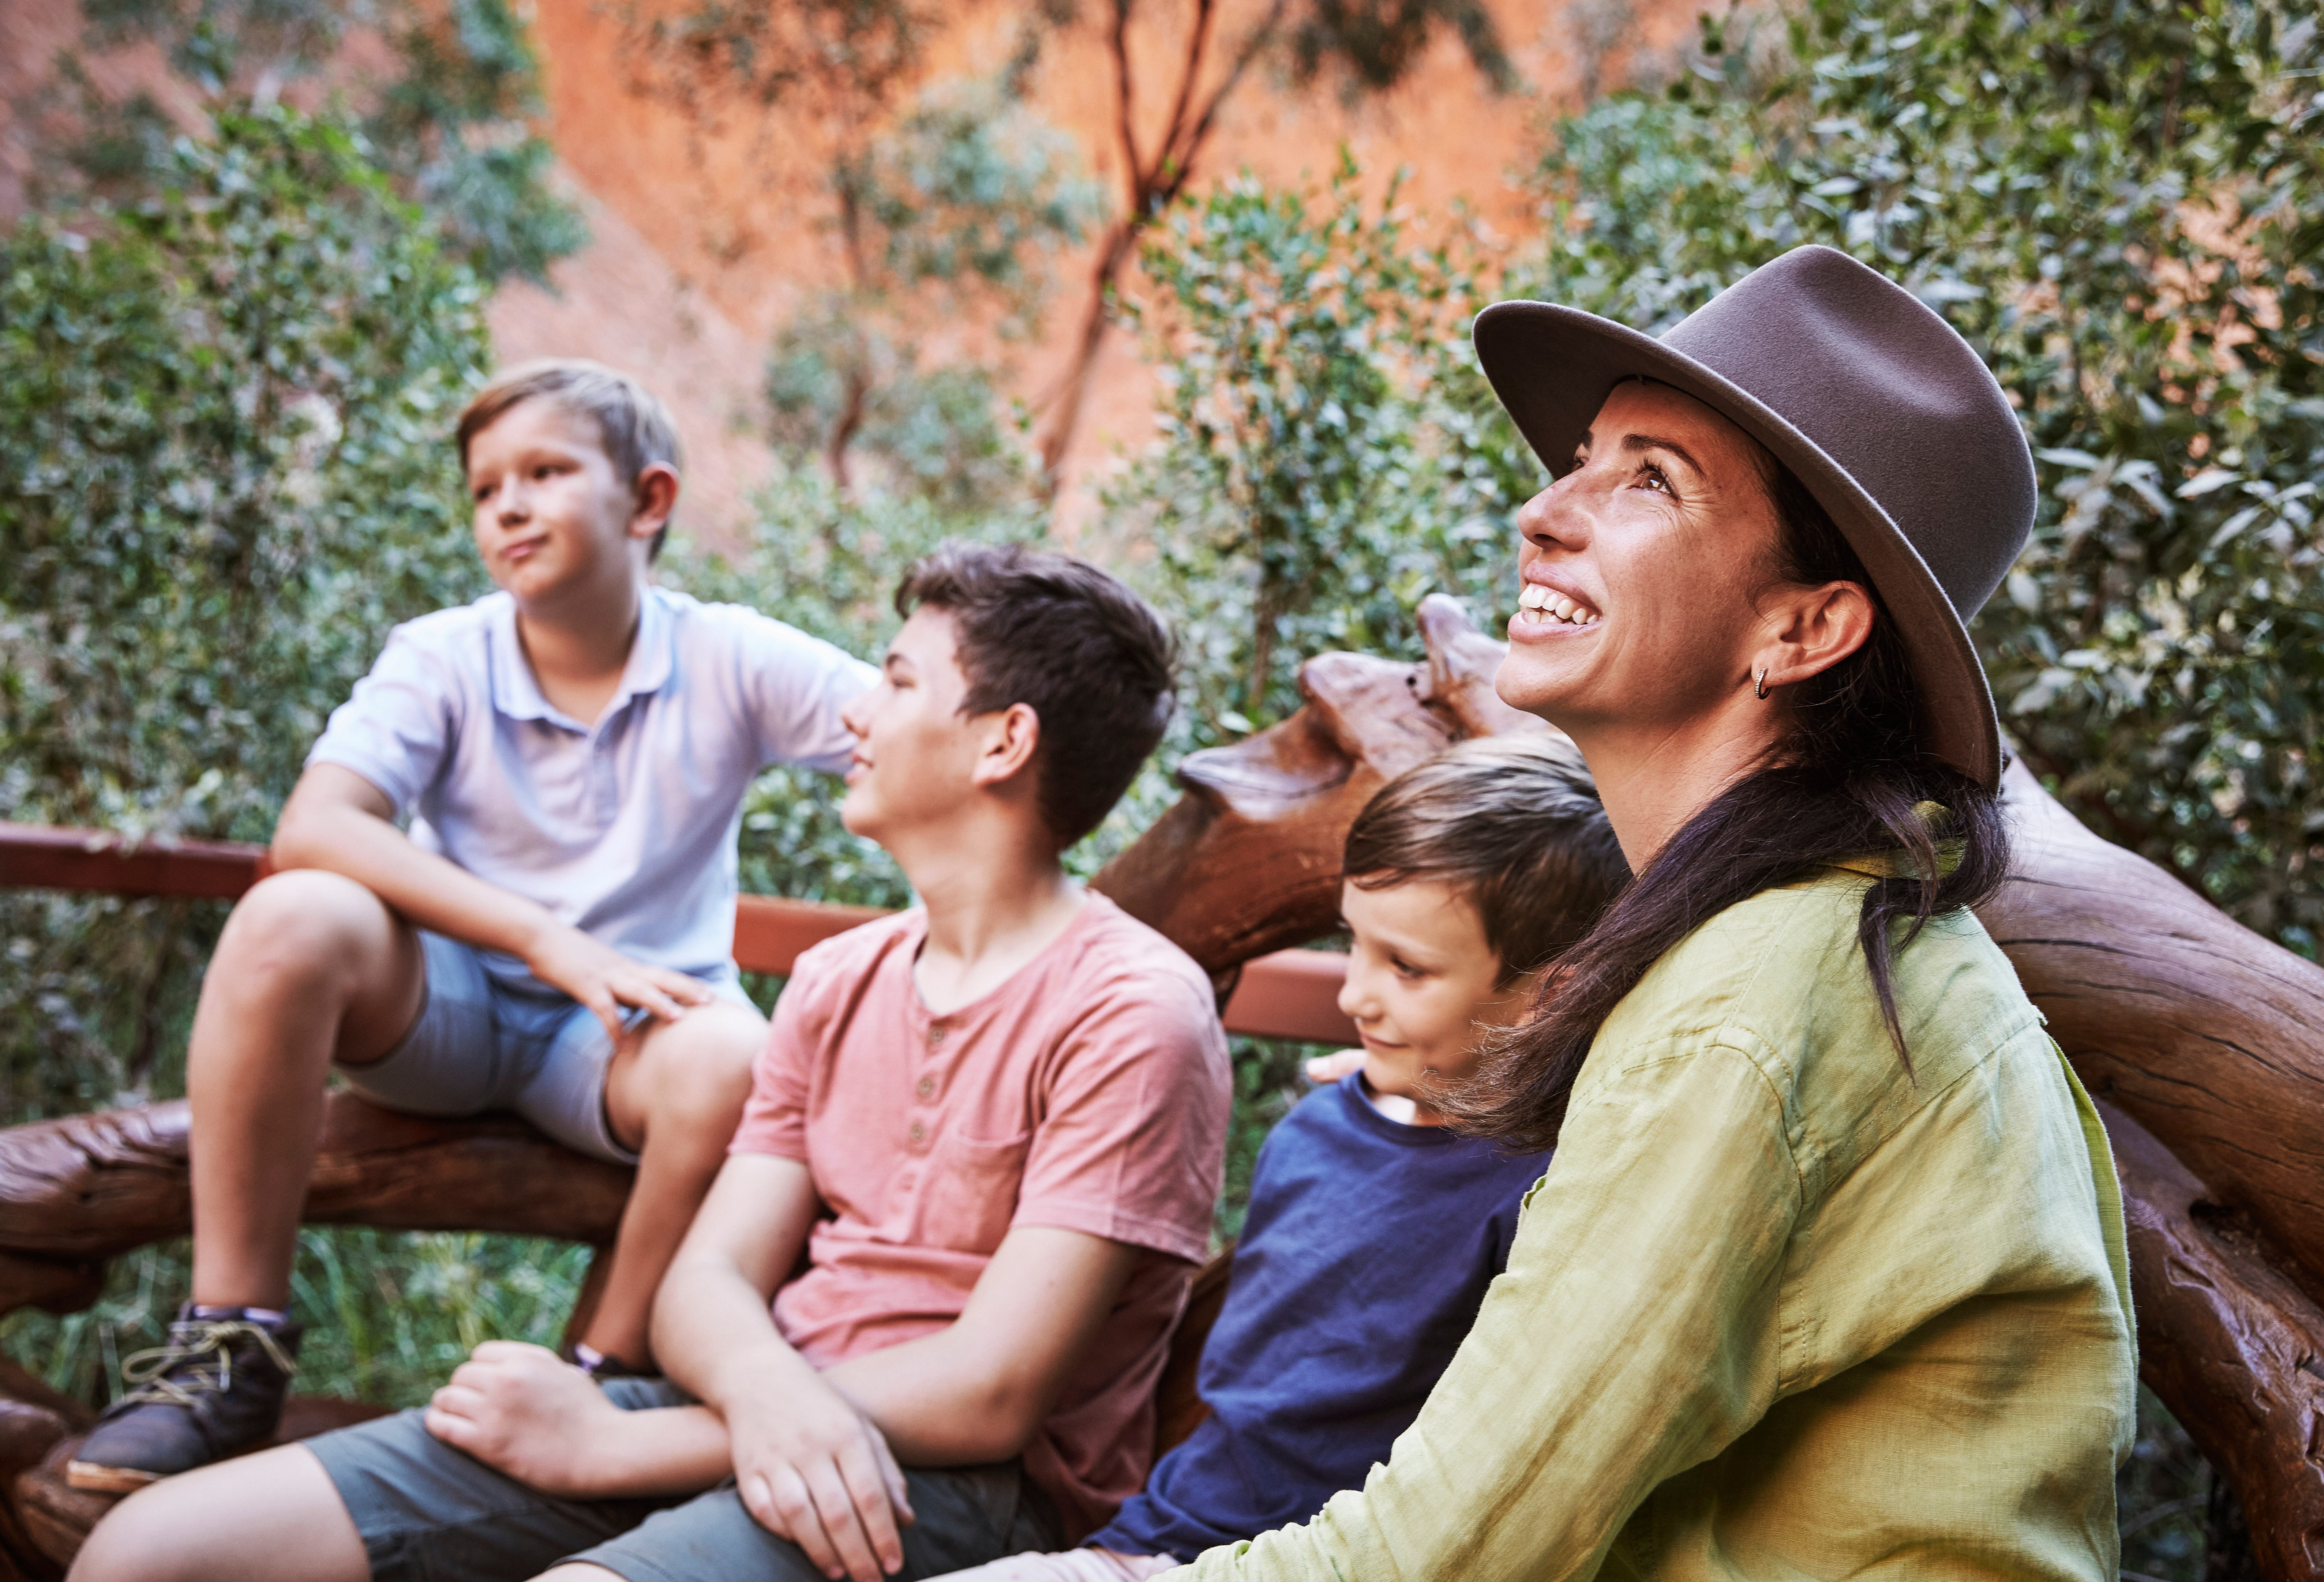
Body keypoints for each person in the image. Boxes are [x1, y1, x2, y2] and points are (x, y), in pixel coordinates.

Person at [1161, 245, 2139, 1581]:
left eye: (1647, 482)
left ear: (1802, 631)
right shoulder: (1816, 944)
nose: (1543, 511)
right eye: (1581, 455)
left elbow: (1437, 1554)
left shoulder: (1744, 1014)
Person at [70, 541, 1233, 1582]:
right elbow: (705, 1283)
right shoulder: (843, 976)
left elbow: (991, 1393)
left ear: (1002, 741)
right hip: (736, 1401)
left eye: (895, 678)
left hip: (956, 1490)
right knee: (151, 1549)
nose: (856, 715)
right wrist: (749, 1395)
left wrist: (617, 1439)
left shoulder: (1135, 1013)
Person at [67, 360, 879, 1493]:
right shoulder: (445, 652)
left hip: (625, 1040)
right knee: (292, 912)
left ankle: (605, 1381)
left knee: (741, 1055)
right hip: (445, 1013)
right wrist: (544, 936)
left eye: (545, 471)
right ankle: (230, 1348)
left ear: (649, 501)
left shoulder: (728, 654)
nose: (507, 503)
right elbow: (318, 823)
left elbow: (907, 730)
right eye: (486, 485)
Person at [926, 734, 1630, 1582]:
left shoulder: (1542, 1192)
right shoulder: (1317, 1129)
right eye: (1353, 946)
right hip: (1160, 1535)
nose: (1351, 995)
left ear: (1553, 989)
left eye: (1405, 969)